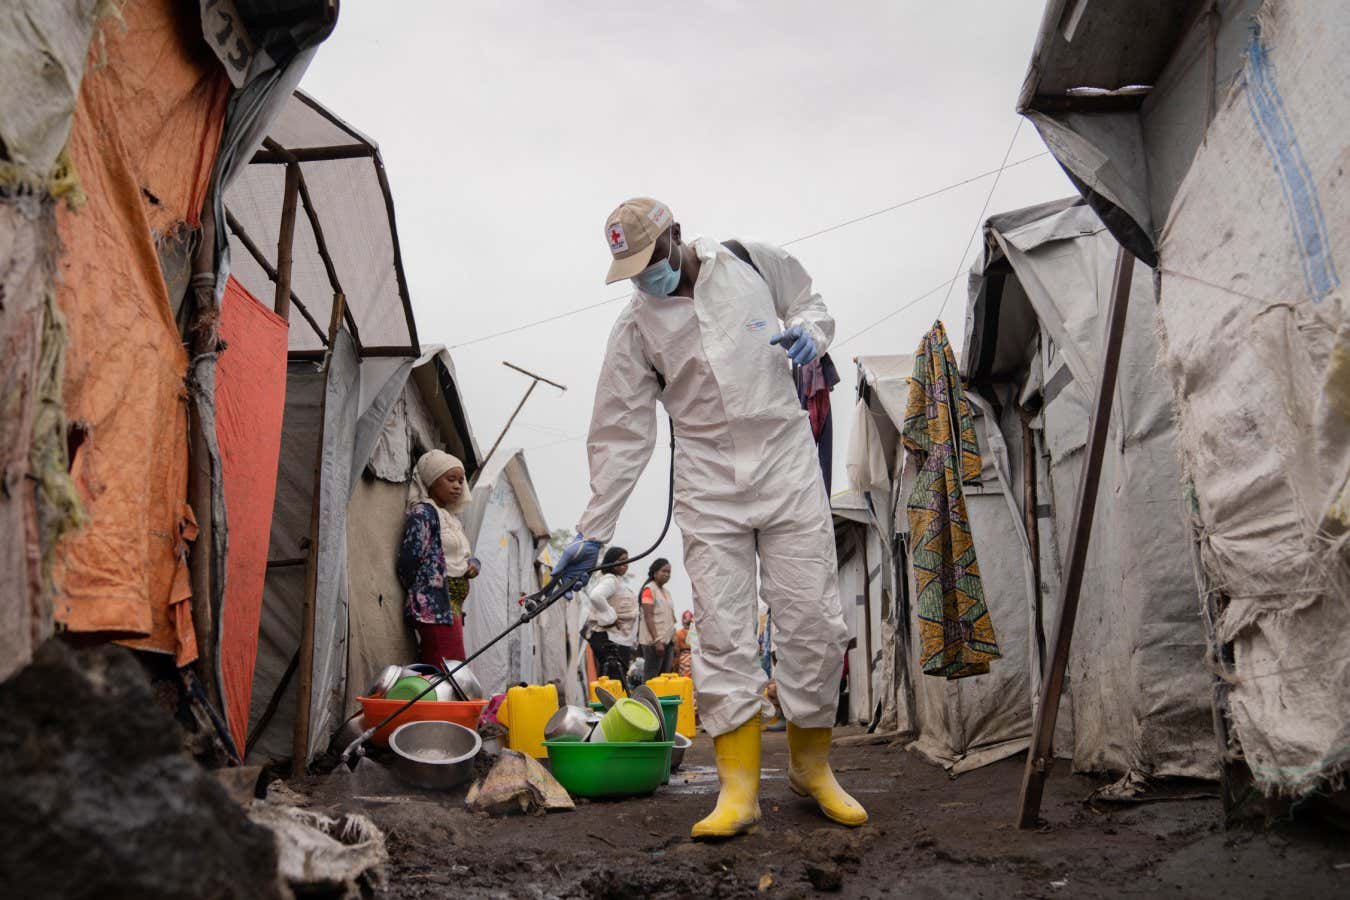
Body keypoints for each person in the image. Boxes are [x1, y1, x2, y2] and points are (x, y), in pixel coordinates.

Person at [552, 197, 865, 839]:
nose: (644, 279)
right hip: (707, 475)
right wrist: (593, 529)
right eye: (630, 271)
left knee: (811, 617)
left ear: (674, 236)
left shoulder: (751, 263)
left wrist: (813, 332)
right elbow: (620, 431)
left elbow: (810, 302)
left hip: (784, 458)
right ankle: (738, 788)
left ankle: (813, 769)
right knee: (722, 629)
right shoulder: (636, 327)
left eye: (649, 262)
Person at [397, 450, 480, 665]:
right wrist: (427, 590)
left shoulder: (452, 518)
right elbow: (408, 562)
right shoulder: (424, 514)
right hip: (435, 608)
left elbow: (463, 554)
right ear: (431, 481)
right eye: (450, 479)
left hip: (451, 607)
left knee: (447, 666)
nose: (458, 486)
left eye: (461, 481)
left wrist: (473, 564)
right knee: (449, 668)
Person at [584, 547, 638, 683]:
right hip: (609, 638)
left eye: (627, 560)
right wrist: (610, 617)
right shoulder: (610, 580)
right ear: (611, 562)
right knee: (614, 678)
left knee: (614, 678)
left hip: (616, 638)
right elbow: (596, 596)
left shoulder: (616, 581)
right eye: (621, 560)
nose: (626, 563)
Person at [638, 558, 677, 677]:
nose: (667, 574)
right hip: (654, 643)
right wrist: (657, 641)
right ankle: (645, 697)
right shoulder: (649, 589)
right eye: (664, 571)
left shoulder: (667, 592)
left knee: (664, 678)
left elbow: (671, 618)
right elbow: (648, 616)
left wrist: (674, 640)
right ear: (655, 573)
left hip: (667, 642)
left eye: (669, 572)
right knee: (651, 678)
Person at [674, 609, 695, 678]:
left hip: (683, 660)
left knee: (683, 681)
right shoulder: (696, 633)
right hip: (695, 658)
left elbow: (677, 651)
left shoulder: (678, 633)